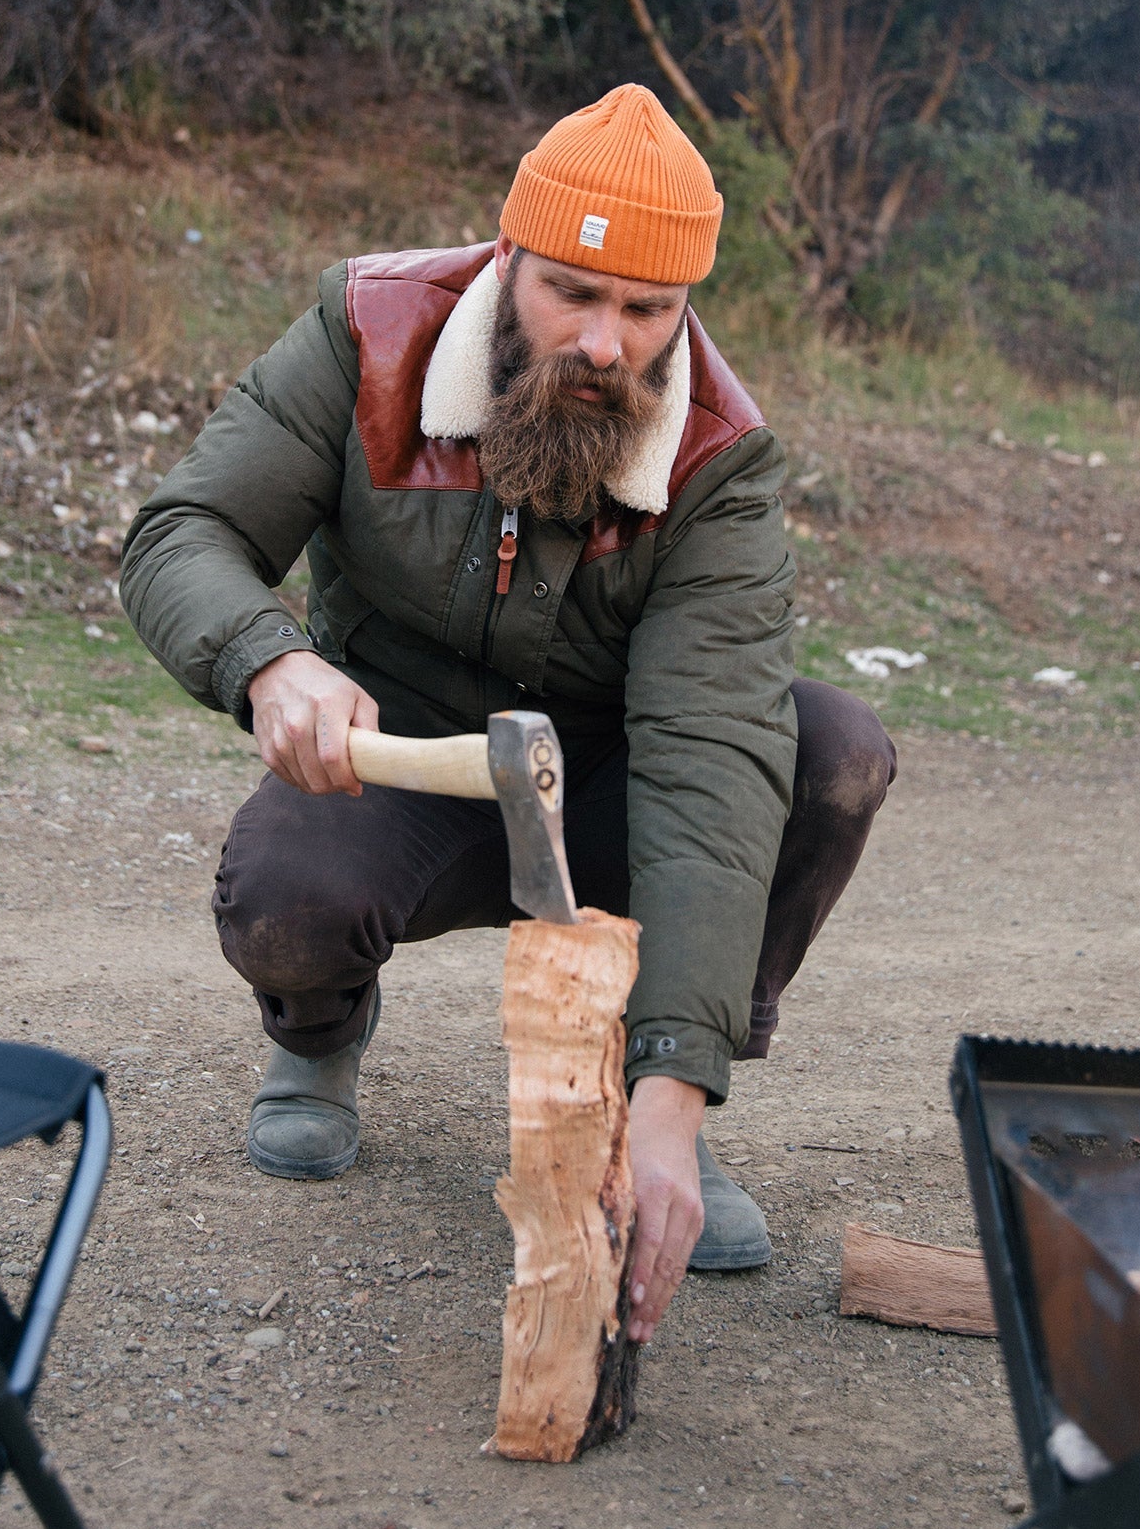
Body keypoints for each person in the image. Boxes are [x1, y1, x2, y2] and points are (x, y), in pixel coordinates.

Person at [121, 83, 895, 1346]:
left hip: (609, 779)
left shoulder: (718, 457)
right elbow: (184, 530)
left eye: (646, 310)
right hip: (405, 750)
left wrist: (671, 1097)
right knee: (286, 909)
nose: (606, 343)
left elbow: (708, 764)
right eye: (573, 295)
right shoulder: (368, 328)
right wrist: (270, 662)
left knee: (826, 754)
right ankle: (320, 1037)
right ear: (508, 256)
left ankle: (660, 1113)